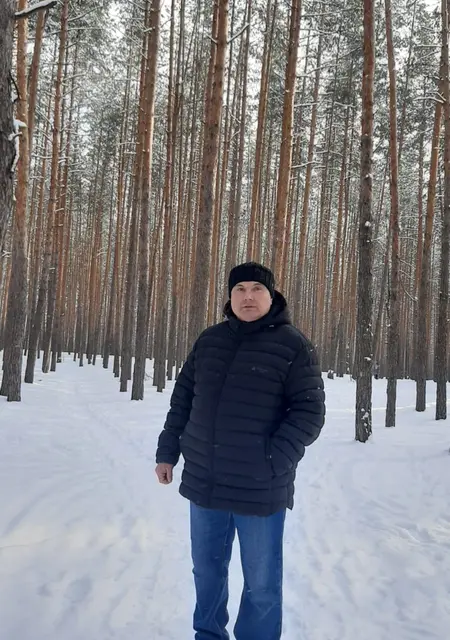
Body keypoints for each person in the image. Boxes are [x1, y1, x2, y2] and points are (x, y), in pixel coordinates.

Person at [155, 262, 325, 640]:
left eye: (257, 289)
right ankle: (208, 635)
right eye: (240, 289)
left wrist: (273, 460)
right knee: (207, 572)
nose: (248, 296)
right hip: (205, 482)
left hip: (259, 487)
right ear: (230, 296)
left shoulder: (293, 345)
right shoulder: (210, 340)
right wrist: (167, 451)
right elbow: (183, 399)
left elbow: (309, 412)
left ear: (272, 295)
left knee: (261, 583)